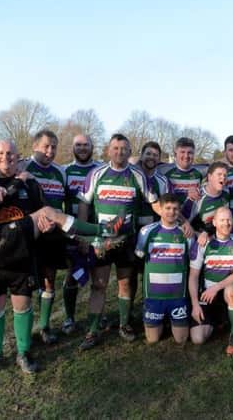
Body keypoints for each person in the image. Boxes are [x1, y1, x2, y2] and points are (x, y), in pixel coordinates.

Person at [0, 152, 123, 376]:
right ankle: (100, 232)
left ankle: (23, 352)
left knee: (23, 300)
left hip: (13, 250)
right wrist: (10, 180)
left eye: (12, 155)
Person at [78, 133, 159, 349]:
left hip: (127, 241)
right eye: (115, 148)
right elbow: (84, 204)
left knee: (125, 283)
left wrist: (177, 220)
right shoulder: (96, 173)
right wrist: (83, 234)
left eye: (124, 149)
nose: (120, 152)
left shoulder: (138, 175)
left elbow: (154, 202)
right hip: (101, 240)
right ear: (108, 150)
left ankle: (124, 324)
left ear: (130, 152)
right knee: (99, 285)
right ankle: (93, 330)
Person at [21, 129, 68, 344]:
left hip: (53, 235)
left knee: (49, 281)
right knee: (26, 285)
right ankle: (25, 330)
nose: (50, 151)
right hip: (27, 236)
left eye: (54, 147)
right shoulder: (23, 167)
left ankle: (45, 326)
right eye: (46, 146)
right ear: (35, 146)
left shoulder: (61, 172)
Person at [135, 193, 193, 344]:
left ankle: (170, 319)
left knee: (181, 339)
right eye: (167, 208)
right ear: (159, 209)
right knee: (152, 340)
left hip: (178, 296)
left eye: (175, 209)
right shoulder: (146, 231)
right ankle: (161, 319)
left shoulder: (186, 233)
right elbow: (139, 255)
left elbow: (192, 261)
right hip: (154, 296)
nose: (171, 212)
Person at [189, 207, 233, 356]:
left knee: (232, 290)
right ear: (214, 222)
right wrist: (195, 305)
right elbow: (193, 276)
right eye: (222, 220)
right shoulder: (203, 242)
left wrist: (217, 288)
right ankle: (219, 318)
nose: (226, 223)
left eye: (229, 220)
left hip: (226, 291)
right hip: (206, 294)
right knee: (198, 338)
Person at [61, 133, 103, 335]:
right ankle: (69, 317)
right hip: (71, 231)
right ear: (73, 147)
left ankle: (97, 315)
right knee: (72, 274)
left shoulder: (100, 170)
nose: (83, 148)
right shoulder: (65, 171)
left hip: (96, 229)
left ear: (92, 146)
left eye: (86, 144)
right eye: (78, 145)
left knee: (98, 276)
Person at [182, 162, 229, 234]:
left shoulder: (226, 191)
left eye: (225, 175)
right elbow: (183, 223)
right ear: (209, 176)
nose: (223, 177)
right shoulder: (196, 196)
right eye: (219, 174)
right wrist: (200, 234)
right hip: (200, 240)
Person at [161, 137, 206, 205]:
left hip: (194, 213)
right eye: (182, 152)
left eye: (190, 153)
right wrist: (186, 192)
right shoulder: (163, 169)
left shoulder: (201, 170)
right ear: (175, 153)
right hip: (171, 213)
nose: (186, 156)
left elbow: (219, 168)